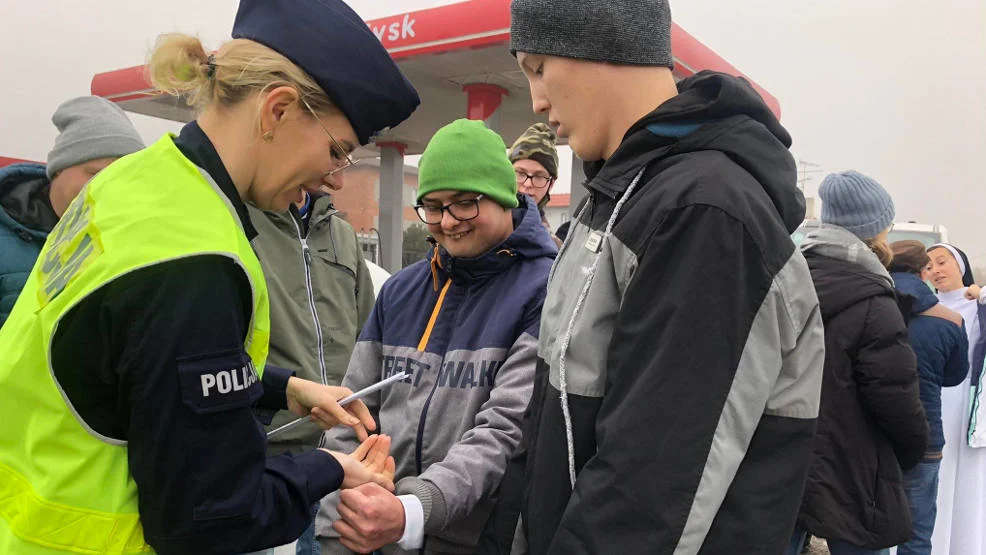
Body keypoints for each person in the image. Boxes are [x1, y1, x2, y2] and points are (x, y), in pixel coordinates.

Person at [0, 0, 421, 553]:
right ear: (278, 110)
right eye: (337, 151)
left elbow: (124, 361)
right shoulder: (197, 258)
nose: (335, 182)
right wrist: (327, 468)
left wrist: (282, 388)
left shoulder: (135, 183)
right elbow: (209, 519)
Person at [508, 0, 826, 553]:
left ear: (600, 39)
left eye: (537, 66)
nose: (536, 100)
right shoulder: (617, 197)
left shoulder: (703, 212)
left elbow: (651, 491)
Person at [315, 119, 557, 555]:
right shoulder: (399, 291)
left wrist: (412, 511)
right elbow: (351, 417)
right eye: (432, 205)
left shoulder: (544, 289)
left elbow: (503, 431)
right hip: (374, 537)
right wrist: (338, 535)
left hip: (479, 541)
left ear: (504, 198)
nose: (447, 222)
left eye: (465, 203)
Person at [789, 171, 928, 555]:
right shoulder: (873, 298)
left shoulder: (786, 277)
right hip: (854, 465)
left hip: (781, 453)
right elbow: (895, 394)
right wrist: (914, 448)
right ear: (878, 229)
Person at [249, 188, 376, 555]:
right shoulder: (238, 222)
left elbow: (368, 334)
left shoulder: (341, 232)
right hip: (266, 459)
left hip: (336, 458)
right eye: (334, 148)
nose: (336, 167)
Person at [0, 95, 144, 326]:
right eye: (94, 173)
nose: (106, 185)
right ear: (59, 169)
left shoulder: (134, 241)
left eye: (121, 177)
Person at [889, 240, 969, 555]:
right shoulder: (950, 320)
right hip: (926, 435)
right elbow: (955, 375)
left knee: (868, 526)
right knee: (918, 531)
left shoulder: (870, 306)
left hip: (871, 434)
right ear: (923, 271)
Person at [924, 242, 986, 555]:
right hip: (937, 404)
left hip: (970, 406)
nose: (935, 270)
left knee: (970, 487)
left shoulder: (978, 305)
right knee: (938, 483)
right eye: (929, 265)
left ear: (959, 265)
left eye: (941, 261)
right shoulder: (925, 307)